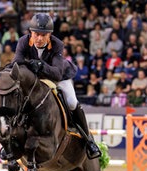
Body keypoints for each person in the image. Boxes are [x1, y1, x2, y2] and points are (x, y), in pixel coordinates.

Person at [11, 13, 100, 159]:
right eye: (36, 34)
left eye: (43, 35)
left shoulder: (57, 44)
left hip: (59, 77)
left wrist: (40, 65)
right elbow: (17, 62)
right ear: (30, 33)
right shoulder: (23, 42)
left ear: (49, 35)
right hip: (36, 79)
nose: (39, 38)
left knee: (71, 102)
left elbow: (57, 73)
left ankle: (88, 140)